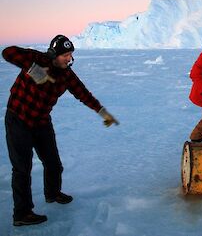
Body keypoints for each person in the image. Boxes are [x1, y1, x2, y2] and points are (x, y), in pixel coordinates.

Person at [2, 35, 119, 226]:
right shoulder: (37, 59)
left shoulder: (66, 75)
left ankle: (52, 193)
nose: (69, 59)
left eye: (71, 54)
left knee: (53, 163)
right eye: (65, 55)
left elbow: (83, 93)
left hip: (41, 122)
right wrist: (36, 71)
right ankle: (22, 214)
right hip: (18, 119)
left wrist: (102, 112)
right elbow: (8, 52)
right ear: (53, 54)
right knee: (22, 169)